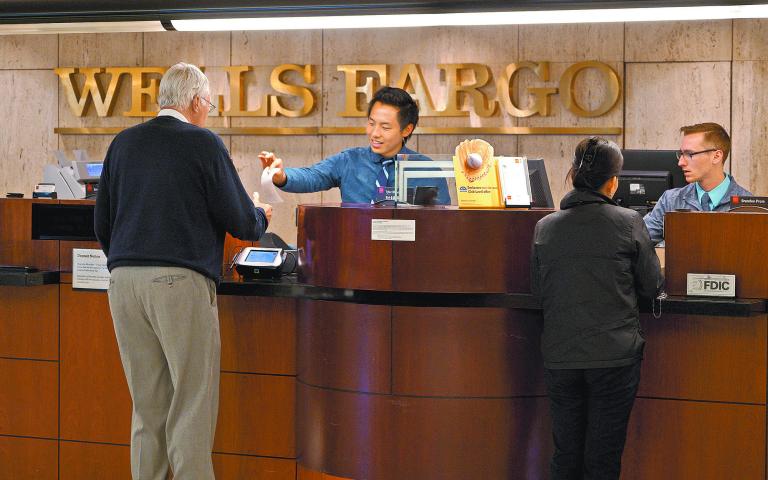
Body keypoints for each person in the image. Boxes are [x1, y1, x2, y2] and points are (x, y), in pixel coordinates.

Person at [94, 62, 272, 480]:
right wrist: (262, 215)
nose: (207, 112)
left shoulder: (123, 143)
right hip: (178, 282)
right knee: (192, 404)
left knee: (148, 407)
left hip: (123, 282)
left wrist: (129, 262)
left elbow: (102, 223)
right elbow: (242, 222)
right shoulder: (202, 143)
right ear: (195, 101)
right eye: (207, 104)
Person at [530, 137, 662, 480]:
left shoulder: (545, 227)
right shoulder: (628, 222)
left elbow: (538, 292)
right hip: (613, 357)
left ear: (573, 174)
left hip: (561, 357)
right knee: (601, 459)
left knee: (566, 454)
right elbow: (651, 285)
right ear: (613, 181)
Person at [258, 86, 451, 205]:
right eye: (371, 123)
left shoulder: (426, 170)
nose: (374, 133)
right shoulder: (350, 160)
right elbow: (312, 176)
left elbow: (442, 223)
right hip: (357, 254)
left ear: (407, 130)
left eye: (385, 127)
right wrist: (282, 176)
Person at [644, 122, 752, 244]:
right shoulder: (671, 200)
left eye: (690, 154)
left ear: (716, 156)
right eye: (681, 154)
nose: (681, 162)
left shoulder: (748, 206)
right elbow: (639, 243)